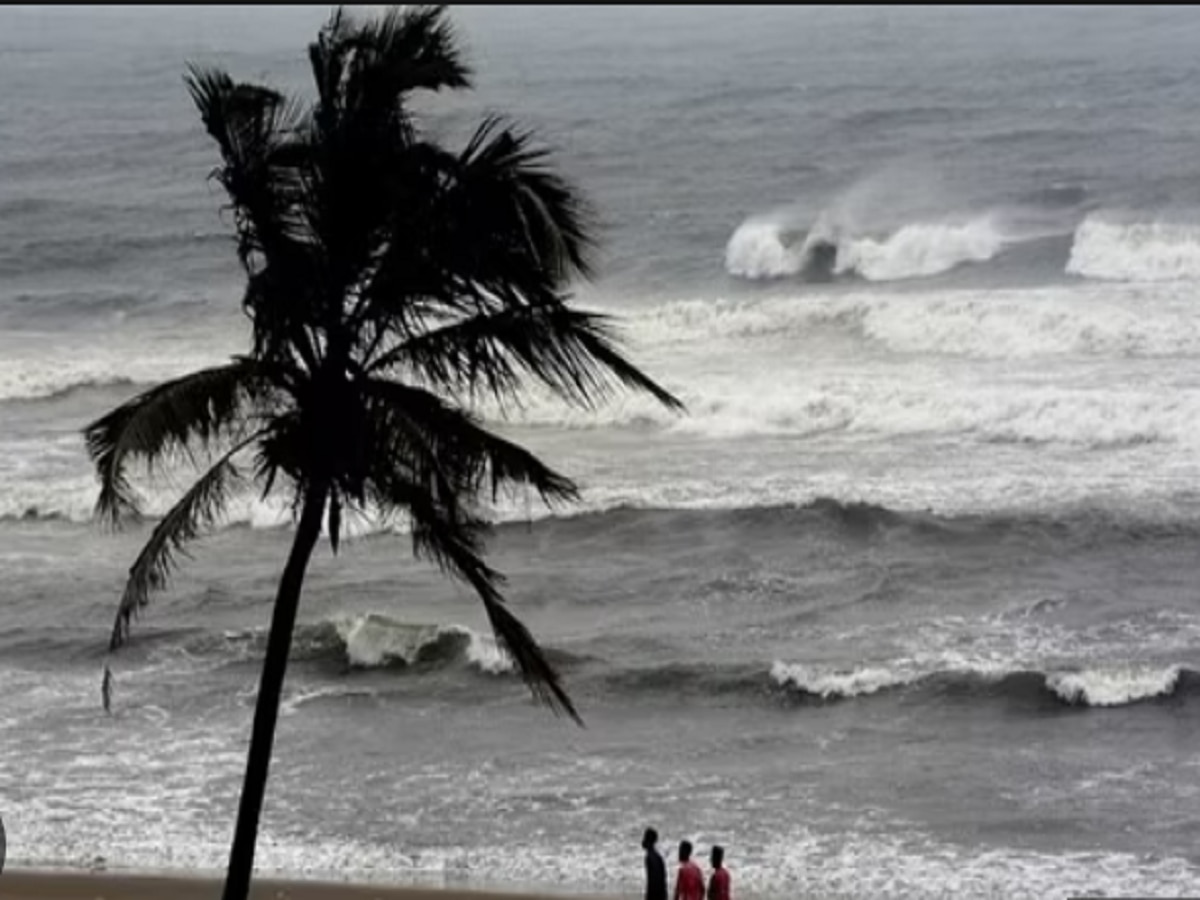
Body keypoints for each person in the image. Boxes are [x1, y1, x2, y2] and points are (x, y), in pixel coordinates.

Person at [643, 828, 667, 900]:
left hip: (654, 894)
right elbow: (664, 876)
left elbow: (652, 880)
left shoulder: (649, 857)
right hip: (661, 893)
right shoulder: (658, 857)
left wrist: (648, 896)